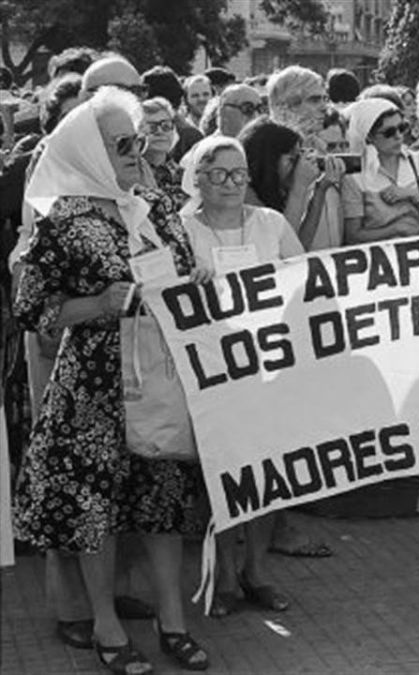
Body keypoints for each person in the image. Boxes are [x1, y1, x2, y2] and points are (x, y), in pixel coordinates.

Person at [15, 86, 210, 673]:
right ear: (89, 150)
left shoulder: (154, 205)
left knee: (163, 505)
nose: (136, 150)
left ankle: (172, 622)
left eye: (138, 140)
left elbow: (178, 274)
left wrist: (195, 275)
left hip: (159, 380)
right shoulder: (64, 220)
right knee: (94, 510)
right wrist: (98, 302)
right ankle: (105, 625)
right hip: (93, 390)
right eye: (121, 143)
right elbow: (33, 310)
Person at [178, 135, 302, 617]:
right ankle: (224, 575)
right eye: (219, 174)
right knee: (222, 476)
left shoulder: (270, 223)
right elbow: (167, 291)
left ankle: (257, 572)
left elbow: (304, 278)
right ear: (199, 179)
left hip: (269, 366)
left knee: (270, 474)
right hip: (211, 372)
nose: (231, 184)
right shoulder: (183, 229)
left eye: (239, 174)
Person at [267, 66, 346, 251]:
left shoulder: (323, 148)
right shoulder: (272, 154)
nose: (324, 107)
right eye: (314, 100)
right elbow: (282, 239)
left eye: (324, 98)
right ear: (285, 106)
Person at [341, 98, 419, 242]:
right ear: (369, 137)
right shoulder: (355, 175)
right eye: (389, 132)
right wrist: (395, 229)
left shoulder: (416, 161)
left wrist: (412, 195)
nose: (399, 136)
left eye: (402, 128)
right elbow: (353, 236)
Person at [238, 118, 327, 253]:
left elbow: (298, 247)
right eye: (292, 159)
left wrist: (320, 189)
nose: (298, 165)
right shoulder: (244, 194)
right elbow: (279, 244)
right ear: (269, 160)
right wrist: (299, 187)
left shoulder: (277, 192)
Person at [138, 97, 188, 211]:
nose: (160, 131)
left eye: (166, 125)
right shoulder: (129, 174)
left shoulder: (184, 176)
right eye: (151, 127)